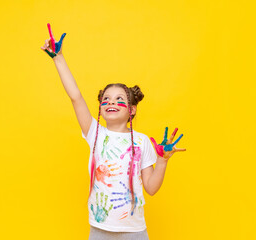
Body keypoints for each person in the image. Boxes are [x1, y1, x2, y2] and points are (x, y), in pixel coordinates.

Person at [41, 24, 186, 240]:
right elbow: (75, 96)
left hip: (134, 232)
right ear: (100, 107)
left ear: (132, 109)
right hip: (99, 230)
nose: (111, 102)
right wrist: (58, 58)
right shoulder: (94, 132)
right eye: (106, 99)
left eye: (120, 99)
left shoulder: (142, 141)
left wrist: (163, 160)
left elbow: (151, 188)